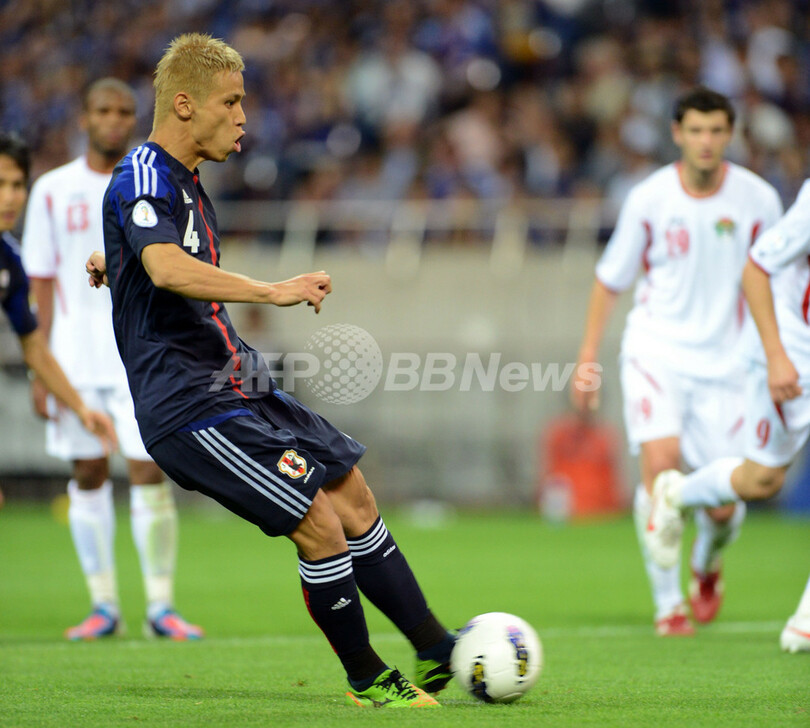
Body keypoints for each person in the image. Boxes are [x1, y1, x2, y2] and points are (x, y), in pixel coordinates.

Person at [85, 33, 454, 707]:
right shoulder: (142, 171)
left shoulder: (183, 183)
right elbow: (165, 266)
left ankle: (437, 649)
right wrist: (272, 289)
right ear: (187, 105)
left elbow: (150, 253)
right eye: (232, 102)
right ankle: (369, 678)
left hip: (239, 385)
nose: (244, 118)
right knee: (317, 518)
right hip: (191, 405)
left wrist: (113, 259)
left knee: (351, 494)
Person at [571, 87, 783, 636]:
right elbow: (609, 277)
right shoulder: (649, 198)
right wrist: (589, 355)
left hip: (732, 366)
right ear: (677, 134)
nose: (706, 141)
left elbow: (782, 279)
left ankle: (706, 566)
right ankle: (668, 605)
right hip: (656, 350)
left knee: (722, 507)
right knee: (660, 467)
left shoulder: (758, 200)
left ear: (729, 134)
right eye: (696, 130)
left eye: (716, 131)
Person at [21, 79, 203, 642]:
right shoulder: (53, 189)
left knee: (149, 469)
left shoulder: (144, 183)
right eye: (103, 110)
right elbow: (42, 281)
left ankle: (160, 605)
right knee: (88, 472)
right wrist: (40, 364)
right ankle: (103, 604)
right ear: (84, 117)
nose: (114, 120)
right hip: (75, 358)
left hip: (140, 354)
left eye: (124, 111)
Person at [645, 179, 810, 653]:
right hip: (794, 355)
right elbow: (756, 269)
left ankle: (802, 622)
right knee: (762, 480)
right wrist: (777, 355)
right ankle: (676, 492)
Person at [0, 133, 117, 501]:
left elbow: (35, 349)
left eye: (18, 185)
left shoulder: (10, 263)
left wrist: (82, 409)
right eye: (0, 184)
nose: (10, 197)